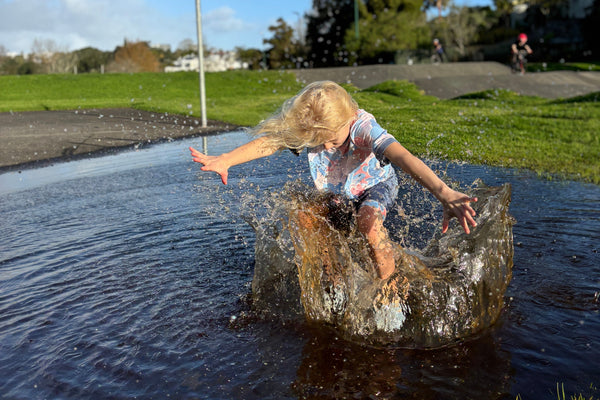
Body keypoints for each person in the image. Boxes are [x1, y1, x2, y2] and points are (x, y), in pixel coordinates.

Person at [189, 81, 477, 280]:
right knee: (305, 218)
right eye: (318, 141)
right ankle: (333, 280)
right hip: (339, 190)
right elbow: (272, 141)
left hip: (375, 185)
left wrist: (444, 192)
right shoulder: (319, 127)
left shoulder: (363, 127)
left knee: (367, 223)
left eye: (331, 139)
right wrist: (226, 159)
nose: (325, 147)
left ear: (348, 118)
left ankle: (389, 285)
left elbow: (402, 157)